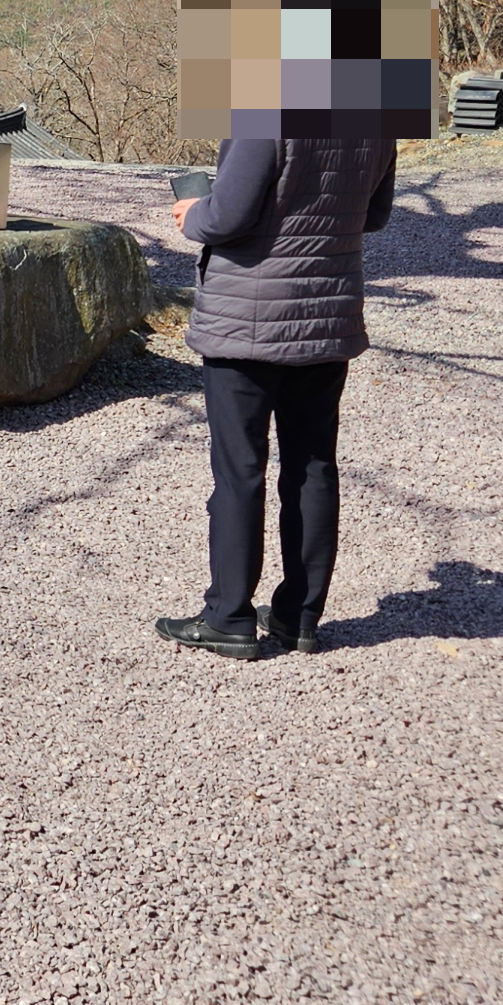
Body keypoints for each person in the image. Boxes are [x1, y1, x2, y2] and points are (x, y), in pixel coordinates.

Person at [155, 134, 401, 661]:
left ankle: (228, 617)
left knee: (240, 470)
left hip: (246, 323)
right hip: (326, 315)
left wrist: (193, 212)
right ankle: (299, 618)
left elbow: (228, 217)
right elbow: (374, 214)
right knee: (313, 467)